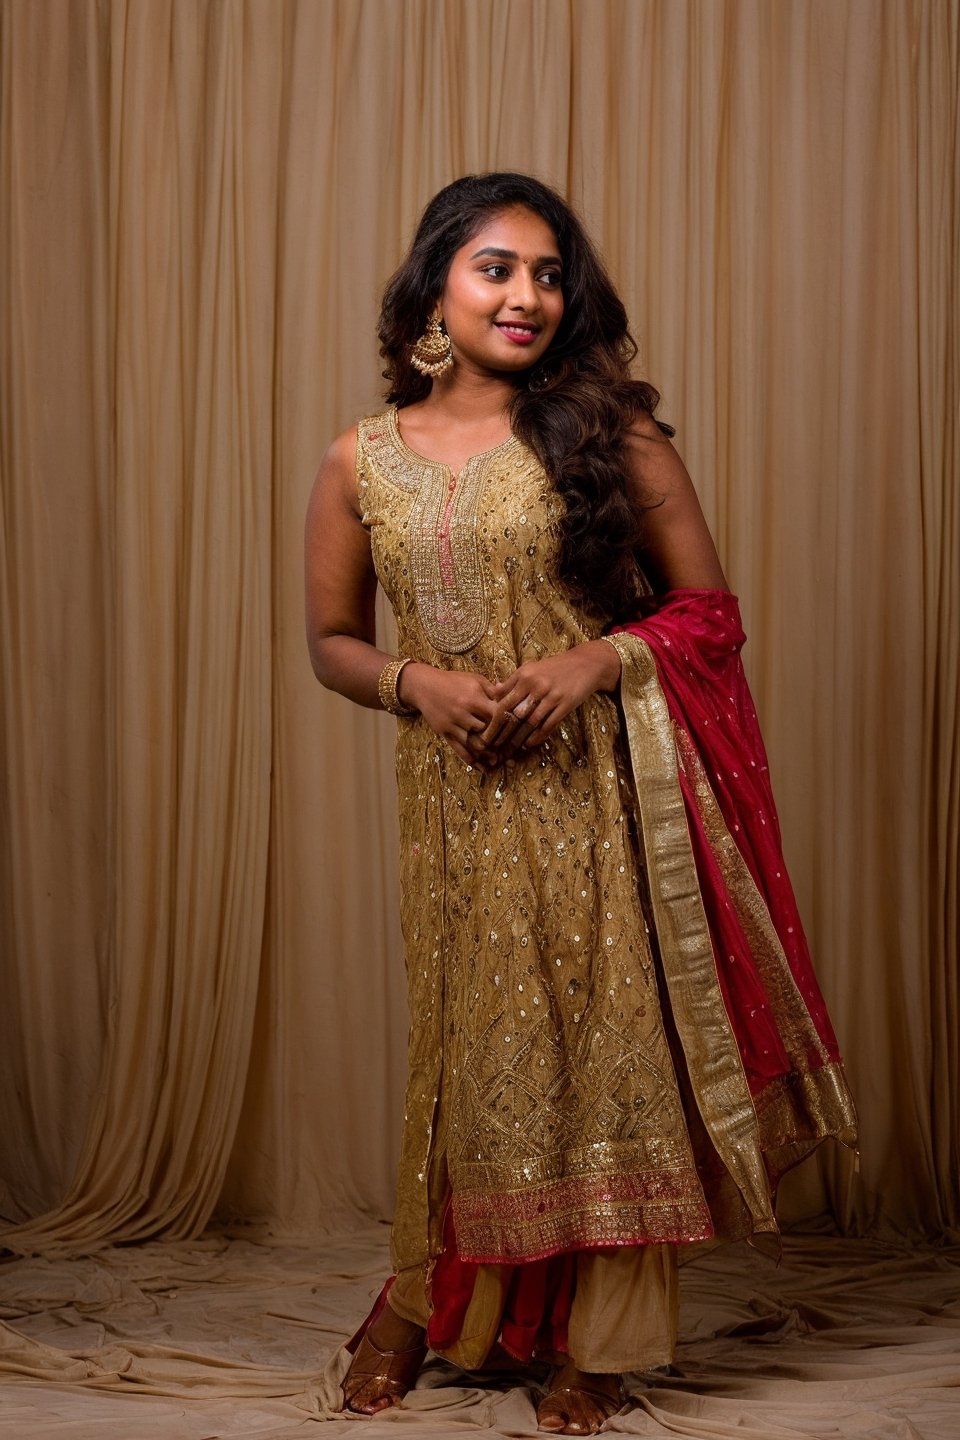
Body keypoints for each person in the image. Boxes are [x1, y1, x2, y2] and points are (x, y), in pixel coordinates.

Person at [304, 172, 857, 1436]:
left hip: (605, 795)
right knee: (471, 1063)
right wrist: (412, 685)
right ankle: (434, 1304)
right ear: (434, 280)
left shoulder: (611, 437)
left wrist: (594, 660)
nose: (527, 296)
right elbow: (331, 641)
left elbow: (710, 616)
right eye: (497, 267)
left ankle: (601, 1343)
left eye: (549, 274)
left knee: (613, 1069)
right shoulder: (361, 457)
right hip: (456, 810)